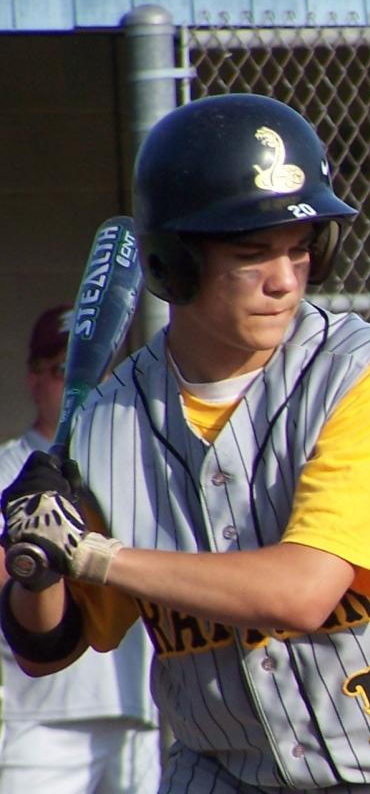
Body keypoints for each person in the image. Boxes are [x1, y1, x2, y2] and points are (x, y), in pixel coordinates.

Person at [0, 93, 370, 794]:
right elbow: (47, 645)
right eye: (252, 254)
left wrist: (94, 555)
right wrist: (37, 559)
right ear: (174, 264)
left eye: (301, 249)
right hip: (225, 774)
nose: (284, 279)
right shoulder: (109, 420)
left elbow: (303, 592)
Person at [0, 304, 162, 793]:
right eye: (59, 370)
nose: (77, 382)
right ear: (34, 379)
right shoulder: (9, 466)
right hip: (41, 715)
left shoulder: (135, 464)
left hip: (136, 708)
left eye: (91, 367)